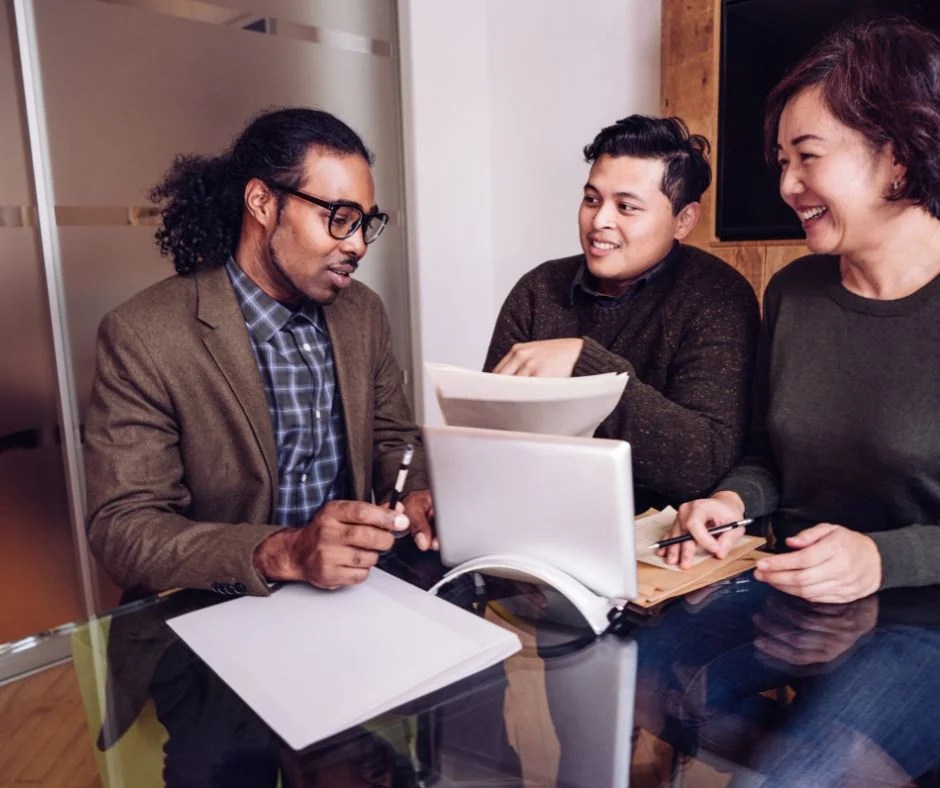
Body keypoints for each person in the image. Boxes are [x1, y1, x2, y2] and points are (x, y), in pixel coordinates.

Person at [84, 108, 436, 598]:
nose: (357, 245)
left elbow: (392, 437)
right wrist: (287, 551)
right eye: (338, 218)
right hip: (215, 613)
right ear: (262, 202)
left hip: (352, 602)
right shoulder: (143, 335)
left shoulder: (362, 312)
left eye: (364, 223)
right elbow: (124, 529)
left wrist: (417, 492)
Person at [668, 18, 940, 603]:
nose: (788, 184)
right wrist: (730, 503)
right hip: (782, 586)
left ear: (898, 156)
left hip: (918, 610)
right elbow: (769, 457)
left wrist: (881, 559)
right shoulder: (793, 291)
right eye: (782, 160)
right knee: (643, 678)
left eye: (808, 157)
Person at [484, 115, 760, 512]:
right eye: (592, 199)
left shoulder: (717, 296)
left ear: (683, 220)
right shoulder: (538, 289)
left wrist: (586, 367)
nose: (599, 222)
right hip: (533, 515)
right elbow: (490, 434)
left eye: (626, 206)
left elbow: (703, 463)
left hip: (660, 540)